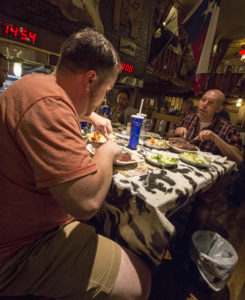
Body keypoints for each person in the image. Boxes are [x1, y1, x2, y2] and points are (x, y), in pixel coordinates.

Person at [0, 27, 151, 299]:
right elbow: (87, 203)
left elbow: (59, 107)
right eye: (106, 90)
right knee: (142, 279)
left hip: (23, 225)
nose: (104, 99)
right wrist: (107, 151)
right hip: (18, 251)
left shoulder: (33, 85)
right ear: (90, 79)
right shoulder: (47, 103)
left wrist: (88, 115)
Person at [171, 89, 243, 165]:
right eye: (203, 100)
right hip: (180, 161)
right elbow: (169, 134)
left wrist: (215, 138)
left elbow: (239, 159)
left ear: (218, 109)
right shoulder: (188, 118)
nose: (204, 105)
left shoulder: (228, 129)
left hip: (207, 170)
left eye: (211, 103)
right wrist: (175, 131)